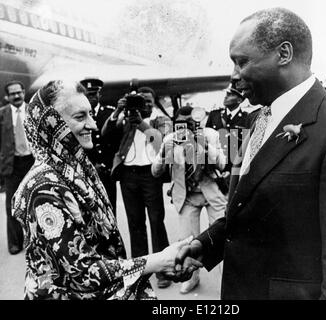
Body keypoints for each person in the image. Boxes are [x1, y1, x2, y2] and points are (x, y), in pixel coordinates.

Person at [170, 8, 326, 300]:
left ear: (284, 53)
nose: (234, 75)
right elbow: (249, 209)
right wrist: (205, 245)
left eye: (242, 61)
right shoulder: (261, 119)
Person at [11, 80, 195, 300]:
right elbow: (83, 272)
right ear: (52, 124)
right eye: (80, 117)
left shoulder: (76, 169)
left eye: (90, 114)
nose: (93, 125)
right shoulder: (43, 187)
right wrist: (157, 261)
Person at [101, 87, 172, 289]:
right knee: (135, 224)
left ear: (154, 102)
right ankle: (140, 272)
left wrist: (140, 123)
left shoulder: (160, 119)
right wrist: (117, 112)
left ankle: (163, 270)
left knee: (157, 221)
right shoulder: (126, 119)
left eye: (149, 101)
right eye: (142, 102)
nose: (146, 105)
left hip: (151, 174)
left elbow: (160, 142)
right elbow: (106, 134)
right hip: (128, 175)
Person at [152, 106, 227, 293]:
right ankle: (192, 279)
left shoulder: (210, 134)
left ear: (197, 121)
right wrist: (164, 154)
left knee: (222, 239)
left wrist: (203, 144)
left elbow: (222, 164)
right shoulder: (170, 139)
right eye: (181, 123)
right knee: (186, 241)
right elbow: (155, 172)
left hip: (211, 193)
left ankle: (227, 283)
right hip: (187, 196)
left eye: (190, 122)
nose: (186, 127)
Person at [0, 80, 35, 255]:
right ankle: (15, 243)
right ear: (7, 96)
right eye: (12, 93)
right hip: (12, 165)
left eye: (19, 92)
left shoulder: (33, 111)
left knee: (36, 202)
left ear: (23, 92)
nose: (16, 96)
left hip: (32, 162)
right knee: (12, 206)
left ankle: (39, 243)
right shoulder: (2, 114)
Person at [80, 78, 120, 216]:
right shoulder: (79, 116)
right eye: (88, 94)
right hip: (88, 171)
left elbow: (115, 140)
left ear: (99, 95)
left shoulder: (110, 112)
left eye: (94, 94)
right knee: (91, 213)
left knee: (110, 210)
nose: (91, 97)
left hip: (107, 171)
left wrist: (108, 165)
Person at [205, 82, 250, 190]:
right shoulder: (214, 115)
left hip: (235, 172)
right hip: (215, 172)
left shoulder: (246, 119)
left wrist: (230, 171)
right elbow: (207, 141)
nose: (226, 96)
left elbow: (244, 149)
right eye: (227, 93)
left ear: (239, 100)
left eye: (230, 94)